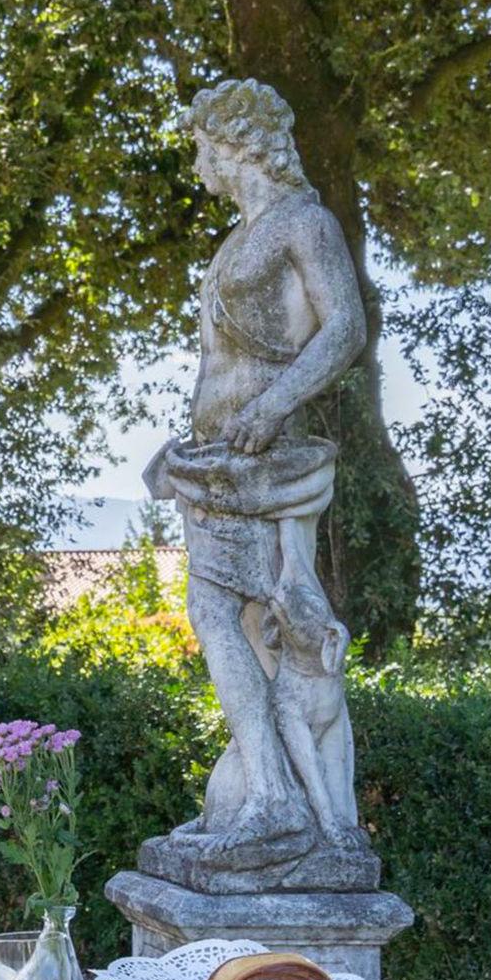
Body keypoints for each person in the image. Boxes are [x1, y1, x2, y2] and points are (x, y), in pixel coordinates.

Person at [145, 79, 368, 863]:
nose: (198, 160)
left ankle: (277, 802)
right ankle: (263, 795)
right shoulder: (236, 241)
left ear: (237, 144)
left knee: (248, 616)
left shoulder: (303, 222)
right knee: (221, 616)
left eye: (203, 144)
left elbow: (344, 327)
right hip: (220, 461)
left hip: (265, 461)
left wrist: (273, 406)